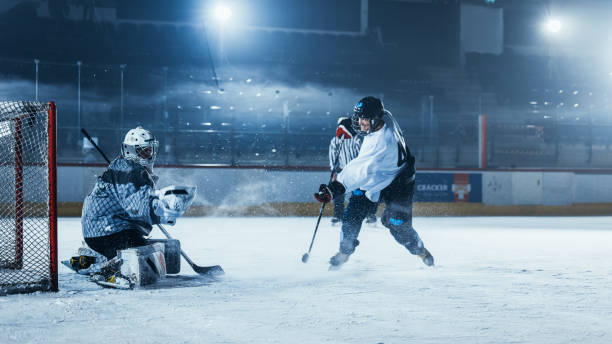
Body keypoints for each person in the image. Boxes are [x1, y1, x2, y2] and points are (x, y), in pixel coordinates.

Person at [315, 97, 434, 270]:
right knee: (352, 214)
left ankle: (421, 250)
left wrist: (333, 189)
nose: (360, 123)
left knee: (396, 223)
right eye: (358, 118)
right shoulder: (387, 118)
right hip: (379, 175)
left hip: (398, 183)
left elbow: (358, 172)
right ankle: (344, 252)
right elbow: (380, 114)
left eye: (364, 119)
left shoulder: (383, 144)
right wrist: (349, 124)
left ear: (375, 119)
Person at [78, 127, 193, 281]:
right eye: (143, 151)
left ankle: (94, 257)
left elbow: (136, 201)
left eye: (150, 150)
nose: (149, 155)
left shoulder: (126, 167)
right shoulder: (130, 170)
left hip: (103, 231)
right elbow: (136, 206)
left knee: (157, 250)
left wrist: (155, 210)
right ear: (131, 150)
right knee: (143, 256)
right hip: (108, 232)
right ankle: (108, 268)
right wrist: (158, 208)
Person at [328, 117, 377, 226]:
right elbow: (333, 156)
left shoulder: (356, 139)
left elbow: (362, 155)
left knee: (363, 192)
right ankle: (338, 215)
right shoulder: (335, 140)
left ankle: (370, 214)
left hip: (356, 171)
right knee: (338, 194)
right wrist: (334, 171)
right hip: (341, 170)